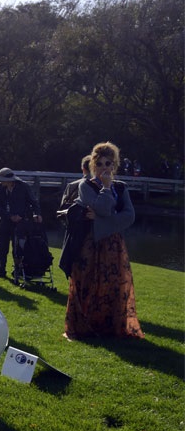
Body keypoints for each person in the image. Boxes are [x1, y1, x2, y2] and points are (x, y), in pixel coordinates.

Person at [62, 141, 144, 340]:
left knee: (113, 284)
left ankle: (109, 326)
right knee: (88, 281)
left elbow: (129, 216)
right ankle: (85, 326)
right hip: (89, 243)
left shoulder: (121, 188)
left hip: (113, 245)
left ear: (114, 166)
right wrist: (106, 189)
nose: (104, 168)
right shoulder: (86, 185)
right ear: (92, 165)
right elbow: (105, 208)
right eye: (99, 164)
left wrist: (99, 219)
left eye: (108, 164)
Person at [0, 167, 41, 279]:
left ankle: (18, 270)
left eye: (2, 179)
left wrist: (37, 214)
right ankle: (1, 270)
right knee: (1, 247)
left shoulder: (24, 187)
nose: (0, 181)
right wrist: (10, 216)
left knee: (18, 247)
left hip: (21, 221)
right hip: (4, 220)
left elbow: (34, 202)